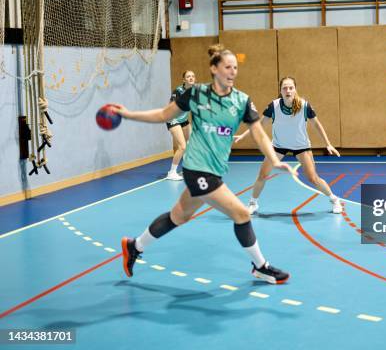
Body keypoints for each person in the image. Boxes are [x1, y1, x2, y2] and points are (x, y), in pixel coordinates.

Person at [112, 44, 293, 284]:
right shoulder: (196, 94)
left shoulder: (241, 101)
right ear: (214, 69)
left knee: (179, 216)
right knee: (241, 214)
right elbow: (164, 115)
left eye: (235, 67)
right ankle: (261, 266)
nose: (233, 72)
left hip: (214, 170)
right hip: (197, 169)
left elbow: (258, 133)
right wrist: (129, 114)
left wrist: (273, 159)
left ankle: (135, 246)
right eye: (228, 67)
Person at [234, 76, 343, 214]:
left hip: (301, 146)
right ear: (280, 90)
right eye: (285, 88)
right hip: (279, 146)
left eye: (291, 87)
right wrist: (243, 136)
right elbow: (259, 125)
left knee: (313, 178)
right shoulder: (273, 106)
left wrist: (328, 144)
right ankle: (252, 203)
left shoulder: (304, 105)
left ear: (295, 89)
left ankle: (335, 200)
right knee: (262, 175)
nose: (288, 90)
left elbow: (316, 124)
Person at [166, 70, 196, 180]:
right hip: (173, 119)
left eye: (193, 76)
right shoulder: (178, 91)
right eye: (188, 76)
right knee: (182, 146)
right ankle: (172, 172)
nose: (191, 78)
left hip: (184, 120)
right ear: (184, 80)